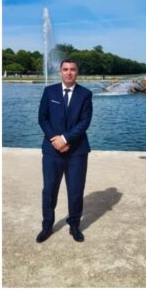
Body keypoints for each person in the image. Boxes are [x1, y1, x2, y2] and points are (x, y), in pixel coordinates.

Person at [36, 59, 93, 243]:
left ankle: (74, 225)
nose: (69, 73)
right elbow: (42, 118)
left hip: (77, 151)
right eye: (65, 69)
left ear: (77, 72)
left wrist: (66, 139)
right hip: (52, 150)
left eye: (73, 70)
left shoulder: (85, 94)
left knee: (76, 190)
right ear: (60, 71)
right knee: (49, 190)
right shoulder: (49, 91)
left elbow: (84, 123)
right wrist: (56, 140)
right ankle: (47, 226)